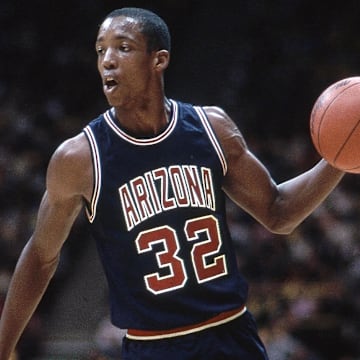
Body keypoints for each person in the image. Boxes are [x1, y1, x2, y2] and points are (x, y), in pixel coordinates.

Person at [0, 7, 345, 360]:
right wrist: (4, 345)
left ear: (158, 59)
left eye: (123, 47)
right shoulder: (79, 158)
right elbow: (41, 255)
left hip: (231, 335)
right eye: (101, 50)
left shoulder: (213, 129)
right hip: (153, 345)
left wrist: (339, 157)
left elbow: (279, 212)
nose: (107, 60)